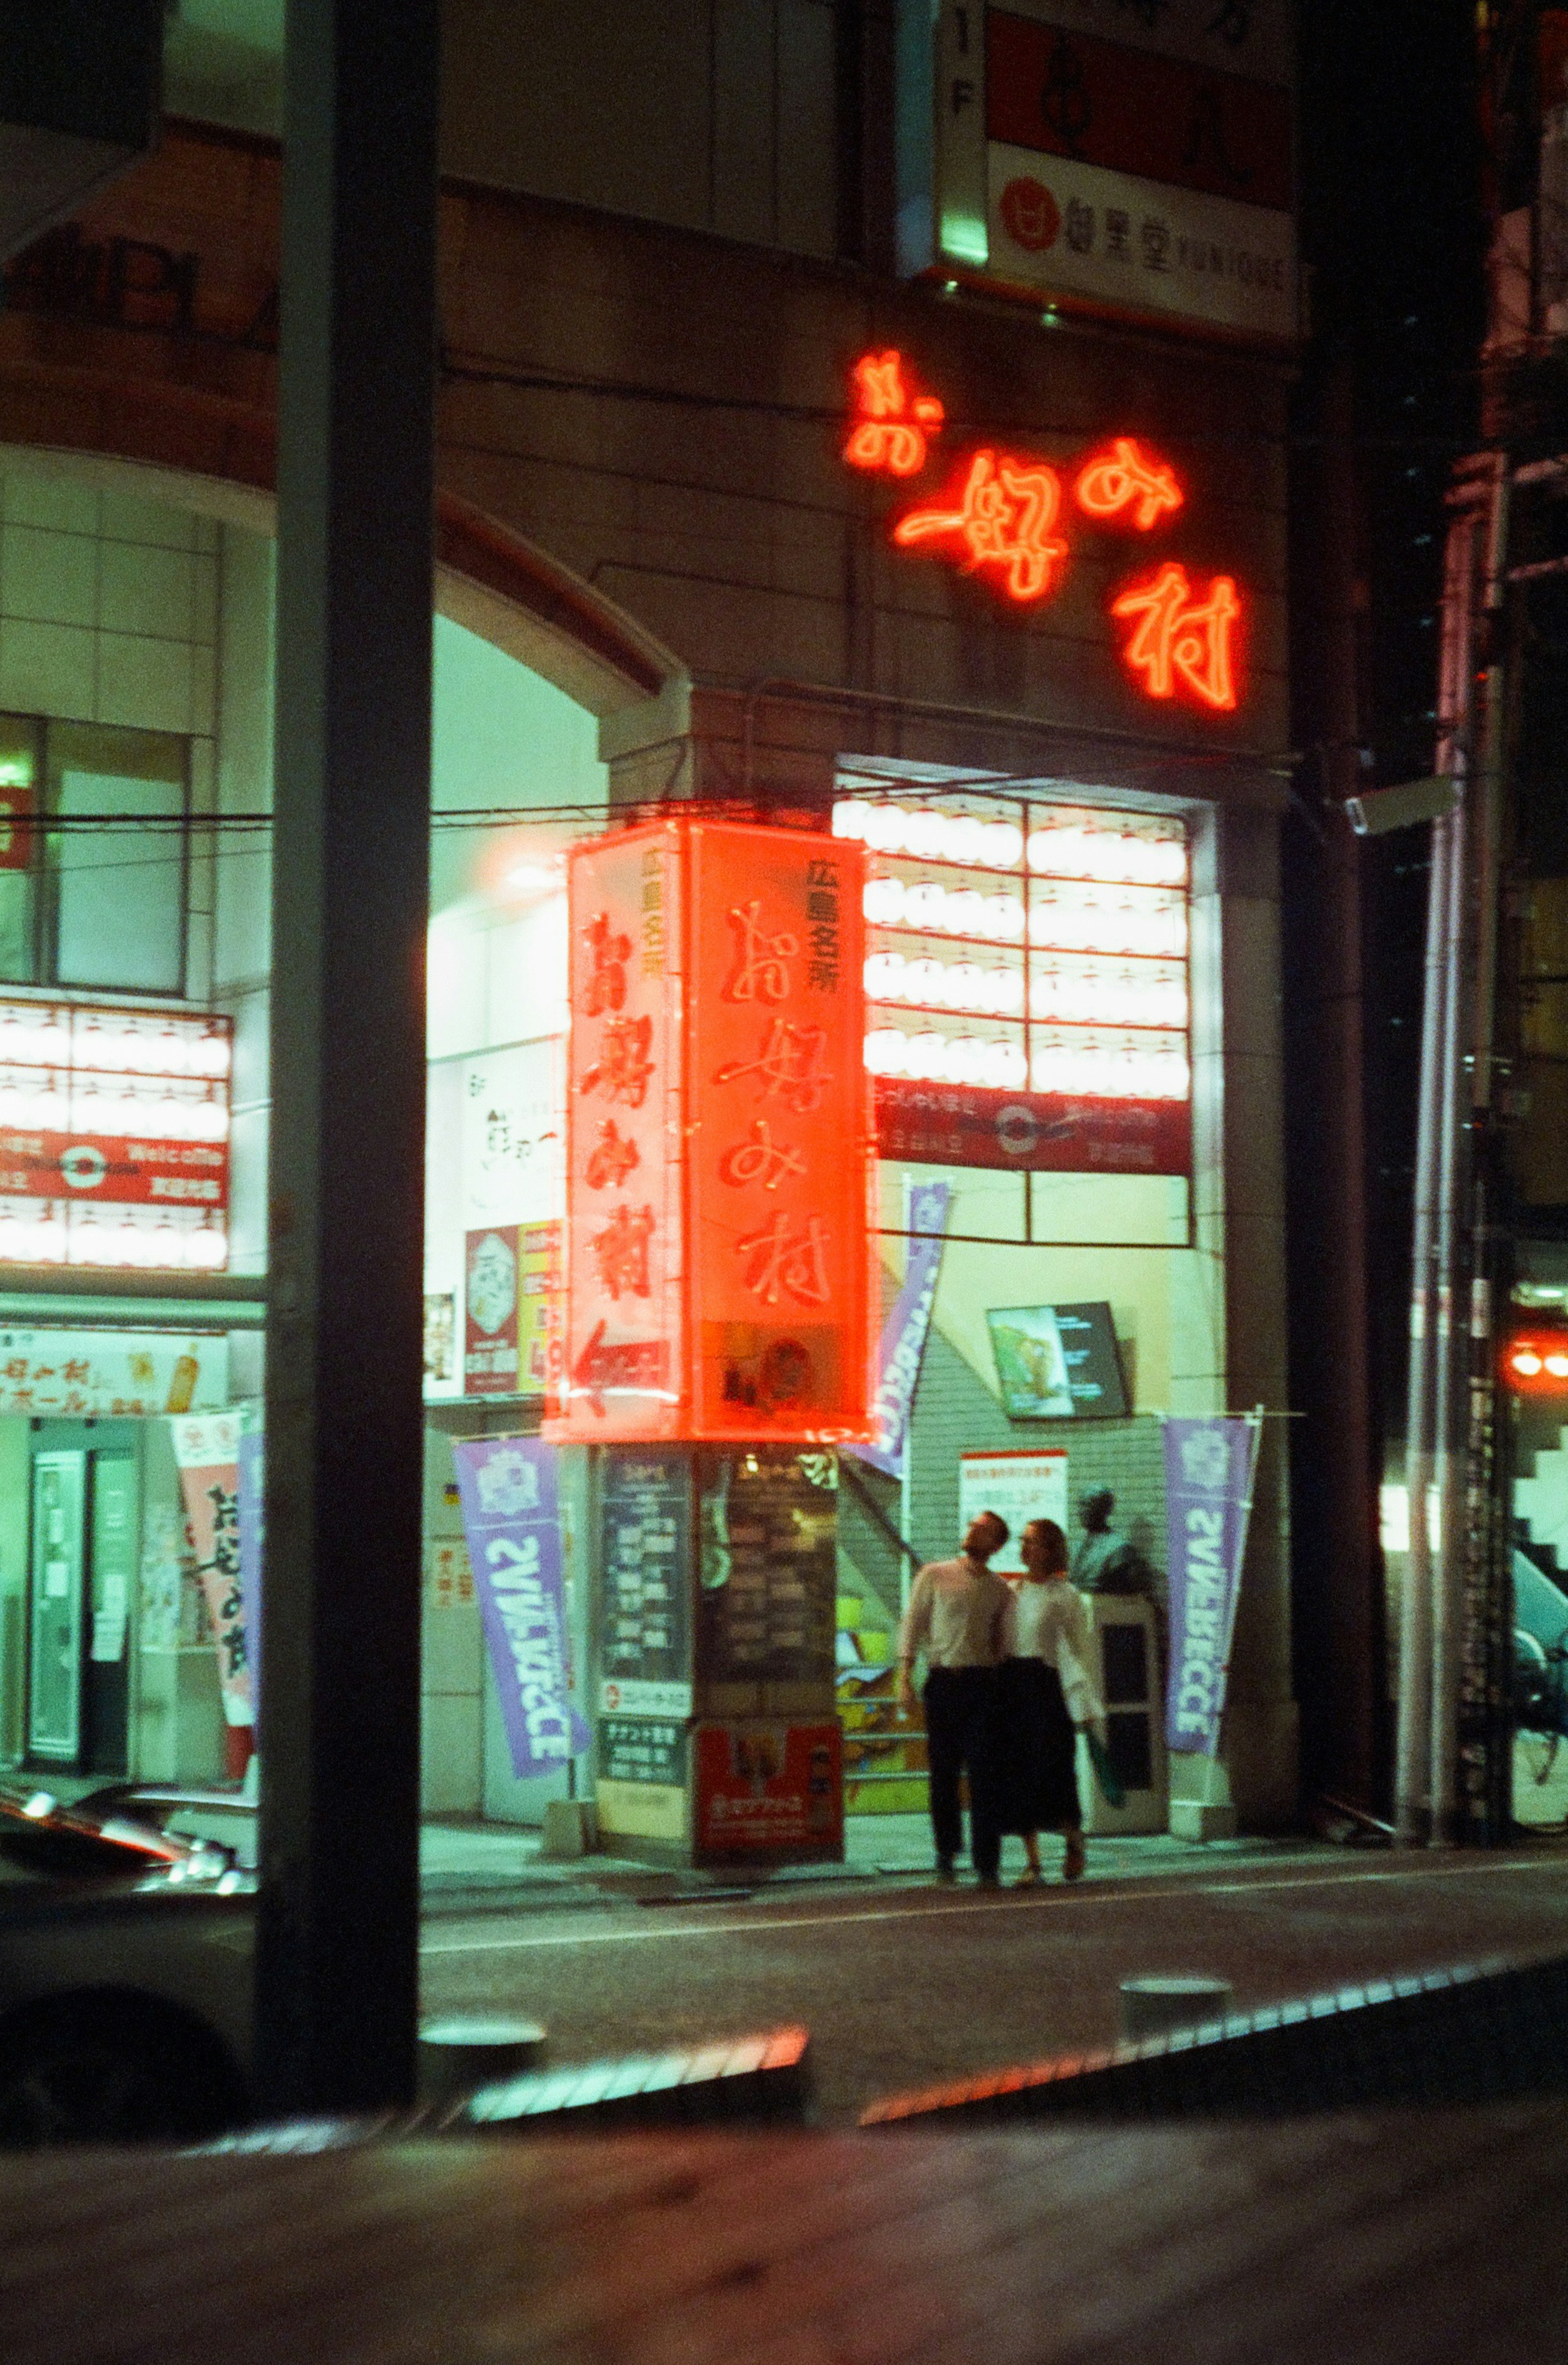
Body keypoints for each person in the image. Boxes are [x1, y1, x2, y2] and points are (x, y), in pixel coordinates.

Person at [897, 1509, 1014, 1888]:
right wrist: (904, 1677)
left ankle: (987, 1863)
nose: (972, 1532)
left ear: (995, 1545)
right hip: (944, 1681)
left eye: (982, 1530)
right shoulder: (934, 1575)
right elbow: (912, 1624)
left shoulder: (1000, 1590)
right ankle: (946, 1854)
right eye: (972, 1526)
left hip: (982, 1685)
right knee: (943, 1773)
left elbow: (1003, 1643)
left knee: (985, 1774)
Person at [997, 1516, 1107, 1886]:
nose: (1025, 1548)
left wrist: (1082, 1699)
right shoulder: (1012, 1592)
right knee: (1019, 1774)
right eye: (1023, 1541)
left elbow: (1080, 1650)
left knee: (1056, 1772)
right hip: (1015, 1686)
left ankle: (1074, 1840)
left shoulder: (1066, 1596)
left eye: (1033, 1542)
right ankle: (1033, 1863)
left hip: (1048, 1689)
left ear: (1051, 1549)